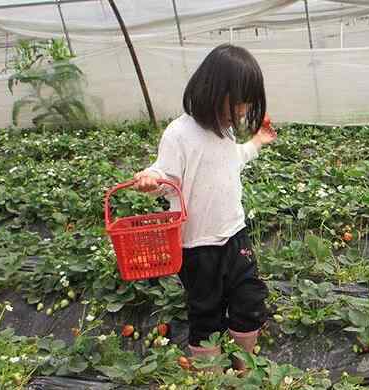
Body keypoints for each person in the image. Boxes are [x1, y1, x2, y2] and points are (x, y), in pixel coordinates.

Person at [133, 43, 277, 372]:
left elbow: (232, 161)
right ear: (214, 91)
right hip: (197, 247)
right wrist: (150, 178)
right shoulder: (179, 134)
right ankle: (211, 378)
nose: (243, 111)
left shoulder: (224, 131)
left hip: (234, 235)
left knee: (250, 300)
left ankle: (244, 370)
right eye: (239, 102)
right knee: (206, 311)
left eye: (248, 104)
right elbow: (165, 174)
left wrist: (255, 142)